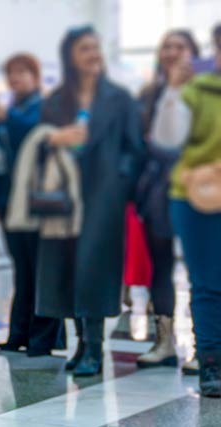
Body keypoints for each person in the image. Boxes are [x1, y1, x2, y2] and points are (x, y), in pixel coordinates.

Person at [34, 26, 144, 377]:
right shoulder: (56, 100)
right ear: (70, 55)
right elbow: (40, 144)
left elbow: (134, 147)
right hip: (65, 195)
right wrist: (56, 140)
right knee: (66, 268)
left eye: (96, 47)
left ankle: (95, 347)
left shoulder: (119, 98)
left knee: (94, 268)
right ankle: (80, 344)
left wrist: (119, 181)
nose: (93, 54)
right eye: (85, 48)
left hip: (103, 195)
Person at [0, 53, 63, 357]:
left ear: (35, 77)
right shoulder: (11, 111)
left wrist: (2, 114)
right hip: (10, 202)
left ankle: (43, 338)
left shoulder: (44, 108)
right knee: (22, 269)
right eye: (11, 72)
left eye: (22, 72)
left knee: (41, 269)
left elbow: (32, 135)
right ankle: (18, 333)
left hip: (38, 201)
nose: (16, 78)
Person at [129, 30, 201, 369]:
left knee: (202, 269)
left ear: (193, 53)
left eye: (180, 46)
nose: (172, 52)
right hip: (158, 189)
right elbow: (142, 141)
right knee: (161, 265)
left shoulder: (205, 91)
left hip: (199, 188)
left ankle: (205, 344)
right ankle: (164, 341)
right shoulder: (149, 94)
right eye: (167, 46)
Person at [164, 22, 221, 398]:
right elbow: (167, 139)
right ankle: (211, 362)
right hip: (198, 195)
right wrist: (173, 89)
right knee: (207, 282)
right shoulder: (195, 90)